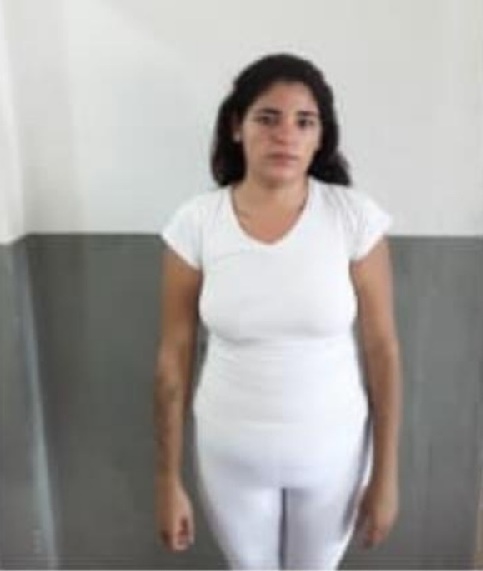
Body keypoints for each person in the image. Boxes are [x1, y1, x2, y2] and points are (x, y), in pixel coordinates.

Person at [154, 53, 402, 570]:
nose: (286, 134)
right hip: (230, 455)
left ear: (320, 137)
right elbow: (173, 358)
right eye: (268, 118)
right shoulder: (196, 223)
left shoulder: (353, 219)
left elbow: (382, 349)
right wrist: (167, 479)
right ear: (236, 127)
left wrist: (386, 474)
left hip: (334, 454)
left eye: (304, 122)